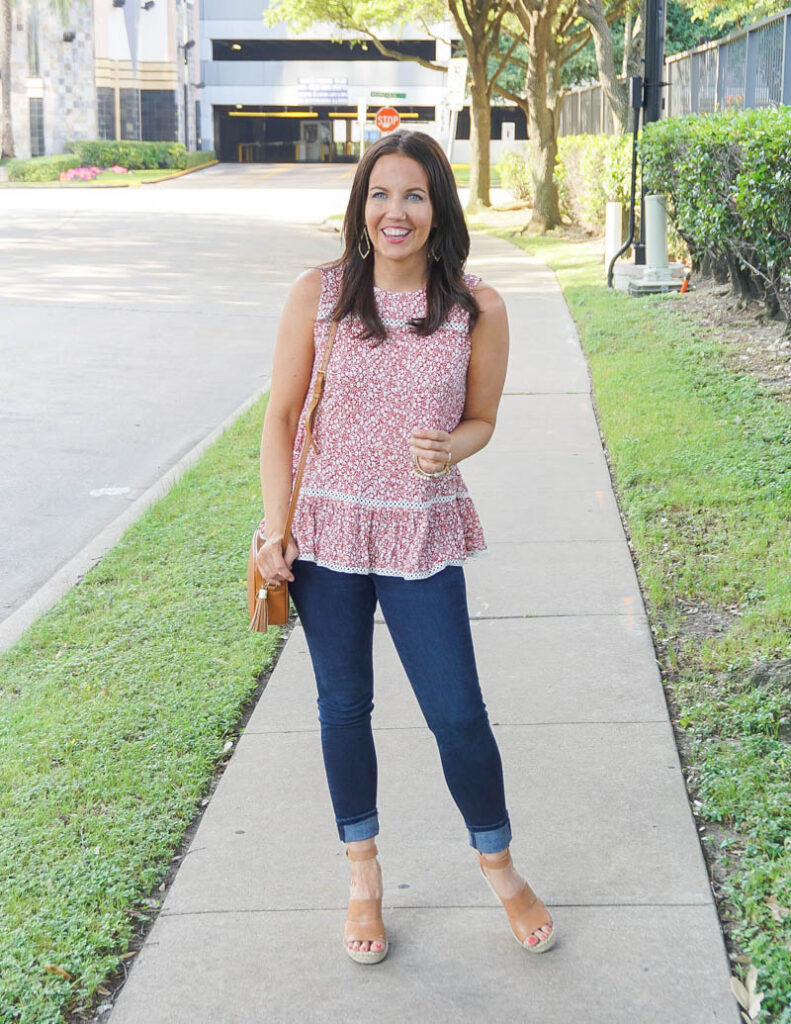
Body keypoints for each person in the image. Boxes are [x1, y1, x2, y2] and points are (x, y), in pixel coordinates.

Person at [256, 129, 555, 964]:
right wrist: (274, 526)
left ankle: (497, 867)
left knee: (457, 713)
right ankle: (362, 877)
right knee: (343, 707)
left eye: (414, 195)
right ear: (360, 206)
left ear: (438, 209)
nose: (396, 211)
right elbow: (281, 421)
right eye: (380, 194)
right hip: (326, 537)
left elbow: (482, 419)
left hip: (420, 532)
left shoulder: (475, 306)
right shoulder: (318, 294)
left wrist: (454, 447)